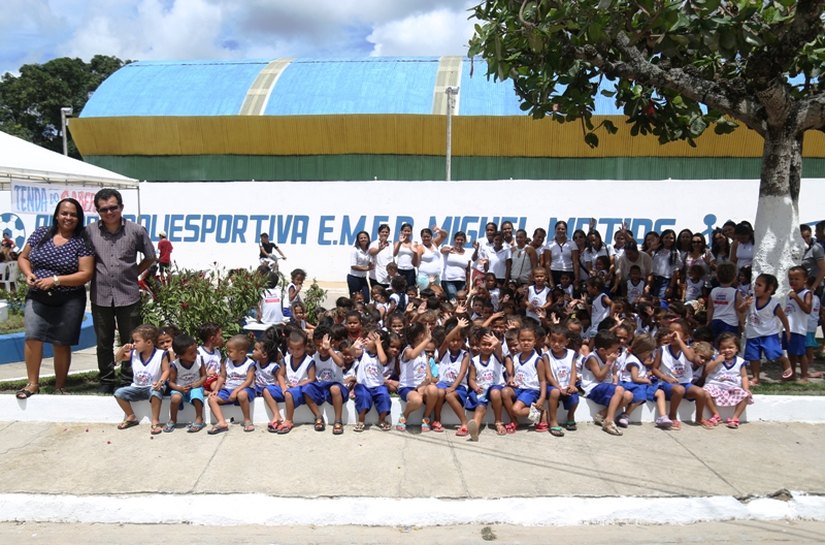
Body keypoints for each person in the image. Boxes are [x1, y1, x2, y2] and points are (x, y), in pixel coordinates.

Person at [15, 198, 94, 399]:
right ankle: (32, 384)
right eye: (64, 213)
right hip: (37, 296)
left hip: (69, 299)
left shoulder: (82, 241)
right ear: (57, 215)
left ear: (79, 218)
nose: (68, 217)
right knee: (32, 337)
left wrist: (56, 280)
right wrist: (28, 274)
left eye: (73, 214)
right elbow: (23, 257)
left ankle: (60, 387)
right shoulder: (41, 233)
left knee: (61, 342)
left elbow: (85, 274)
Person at [88, 188, 156, 393]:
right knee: (103, 341)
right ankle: (106, 379)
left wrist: (133, 273)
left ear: (121, 207)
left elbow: (150, 256)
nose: (109, 212)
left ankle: (128, 378)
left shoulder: (136, 230)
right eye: (103, 209)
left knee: (132, 340)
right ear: (98, 211)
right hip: (100, 296)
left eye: (113, 207)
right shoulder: (90, 231)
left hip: (128, 295)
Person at [112, 324, 170, 434]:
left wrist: (161, 382)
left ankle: (155, 421)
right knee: (119, 393)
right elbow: (118, 358)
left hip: (153, 387)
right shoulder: (134, 353)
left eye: (137, 341)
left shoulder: (161, 354)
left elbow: (166, 370)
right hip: (137, 387)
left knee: (156, 393)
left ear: (148, 342)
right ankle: (131, 416)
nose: (134, 344)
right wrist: (123, 349)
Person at [740, 273, 792, 385]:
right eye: (755, 284)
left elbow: (783, 317)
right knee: (753, 357)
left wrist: (787, 330)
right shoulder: (751, 300)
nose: (755, 287)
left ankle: (785, 362)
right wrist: (745, 304)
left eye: (759, 285)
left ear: (769, 289)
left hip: (769, 335)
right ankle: (756, 377)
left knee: (774, 353)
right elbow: (740, 310)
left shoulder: (774, 303)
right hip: (753, 334)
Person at [580, 330, 632, 436]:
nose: (616, 353)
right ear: (602, 350)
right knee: (619, 390)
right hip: (593, 387)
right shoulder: (593, 358)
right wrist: (608, 363)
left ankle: (602, 414)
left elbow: (614, 373)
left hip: (607, 386)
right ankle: (609, 421)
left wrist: (615, 381)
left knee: (628, 395)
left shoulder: (612, 356)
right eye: (614, 350)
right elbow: (599, 377)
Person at [425, 317, 471, 435]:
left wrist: (453, 387)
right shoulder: (443, 352)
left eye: (458, 340)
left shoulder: (465, 355)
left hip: (459, 386)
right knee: (440, 392)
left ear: (463, 341)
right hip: (443, 383)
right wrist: (458, 327)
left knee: (449, 396)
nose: (455, 343)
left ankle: (464, 423)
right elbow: (446, 341)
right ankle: (437, 419)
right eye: (453, 340)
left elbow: (462, 373)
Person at [701, 333, 752, 429]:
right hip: (715, 385)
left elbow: (744, 376)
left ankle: (735, 418)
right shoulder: (715, 358)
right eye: (723, 348)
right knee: (705, 393)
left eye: (730, 347)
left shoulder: (740, 361)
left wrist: (746, 388)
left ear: (737, 349)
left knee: (745, 396)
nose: (727, 350)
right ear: (719, 349)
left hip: (732, 387)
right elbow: (707, 371)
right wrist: (716, 361)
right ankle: (715, 415)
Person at [207, 334, 256, 434]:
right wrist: (216, 390)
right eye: (227, 351)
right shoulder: (227, 361)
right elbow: (222, 376)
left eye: (230, 351)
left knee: (241, 395)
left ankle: (247, 420)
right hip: (228, 390)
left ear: (241, 353)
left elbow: (249, 381)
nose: (228, 353)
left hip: (245, 389)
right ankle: (221, 422)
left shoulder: (250, 364)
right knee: (211, 399)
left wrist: (236, 391)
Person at [501, 326, 546, 434]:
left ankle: (540, 413)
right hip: (518, 388)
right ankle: (514, 421)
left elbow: (542, 380)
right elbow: (512, 374)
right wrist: (511, 379)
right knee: (505, 391)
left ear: (535, 341)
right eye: (523, 340)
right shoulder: (516, 357)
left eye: (529, 340)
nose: (526, 343)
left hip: (530, 390)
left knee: (516, 410)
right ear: (518, 341)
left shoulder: (537, 360)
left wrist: (542, 398)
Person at [304, 330, 347, 435]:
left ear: (332, 343)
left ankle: (338, 420)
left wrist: (329, 350)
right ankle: (318, 416)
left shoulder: (337, 354)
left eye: (324, 345)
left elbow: (340, 363)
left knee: (334, 389)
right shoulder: (315, 357)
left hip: (336, 385)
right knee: (306, 389)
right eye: (318, 346)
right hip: (321, 386)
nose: (321, 348)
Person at [540, 326, 579, 436]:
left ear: (567, 342)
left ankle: (570, 416)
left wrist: (571, 385)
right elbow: (549, 375)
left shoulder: (571, 354)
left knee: (575, 397)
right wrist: (559, 388)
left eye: (560, 341)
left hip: (567, 385)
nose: (556, 344)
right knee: (555, 392)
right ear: (549, 339)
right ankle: (553, 421)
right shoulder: (546, 355)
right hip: (553, 386)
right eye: (553, 340)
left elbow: (573, 371)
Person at [351, 330, 392, 431]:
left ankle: (381, 420)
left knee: (384, 397)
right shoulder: (363, 353)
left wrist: (378, 344)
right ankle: (361, 420)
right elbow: (353, 353)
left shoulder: (382, 355)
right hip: (363, 385)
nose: (366, 340)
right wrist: (354, 346)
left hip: (378, 385)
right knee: (363, 397)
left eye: (369, 339)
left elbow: (383, 360)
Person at [396, 322, 433, 431]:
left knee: (433, 390)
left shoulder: (423, 353)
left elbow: (429, 376)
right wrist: (427, 340)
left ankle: (426, 417)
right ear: (421, 335)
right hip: (407, 387)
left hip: (422, 386)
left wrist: (423, 386)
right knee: (416, 400)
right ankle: (405, 415)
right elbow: (412, 355)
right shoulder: (407, 350)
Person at [165, 334, 206, 433]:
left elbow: (204, 376)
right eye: (191, 353)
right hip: (180, 389)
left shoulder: (199, 359)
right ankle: (173, 419)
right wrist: (180, 389)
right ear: (180, 356)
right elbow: (171, 383)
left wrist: (197, 384)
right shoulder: (175, 365)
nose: (195, 354)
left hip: (195, 387)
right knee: (175, 398)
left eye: (195, 351)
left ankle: (199, 419)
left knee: (196, 394)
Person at [277, 329, 315, 434]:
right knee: (267, 390)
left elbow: (311, 379)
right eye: (292, 349)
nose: (295, 352)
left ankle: (289, 420)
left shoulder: (309, 361)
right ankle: (276, 416)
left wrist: (297, 385)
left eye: (298, 349)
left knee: (289, 394)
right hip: (287, 387)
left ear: (305, 347)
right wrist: (283, 386)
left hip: (300, 389)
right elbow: (280, 375)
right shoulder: (286, 359)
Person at [785, 266, 813, 380]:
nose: (793, 281)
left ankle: (804, 375)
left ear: (805, 280)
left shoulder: (806, 293)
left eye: (797, 279)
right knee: (790, 352)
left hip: (798, 328)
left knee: (801, 353)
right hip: (789, 328)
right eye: (791, 279)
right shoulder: (790, 294)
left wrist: (796, 298)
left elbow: (807, 309)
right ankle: (792, 374)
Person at [706, 263, 741, 340]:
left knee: (717, 342)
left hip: (715, 321)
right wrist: (741, 323)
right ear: (734, 278)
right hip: (730, 323)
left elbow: (710, 308)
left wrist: (708, 321)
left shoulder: (713, 291)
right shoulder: (735, 292)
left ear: (717, 277)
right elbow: (738, 309)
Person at [441, 231, 472, 300]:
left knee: (460, 300)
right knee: (453, 299)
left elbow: (468, 270)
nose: (459, 241)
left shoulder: (467, 253)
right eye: (458, 239)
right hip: (449, 280)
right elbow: (442, 250)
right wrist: (450, 249)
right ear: (454, 240)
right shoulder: (449, 248)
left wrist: (468, 283)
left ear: (464, 241)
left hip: (462, 281)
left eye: (462, 240)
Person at [415, 226, 447, 292]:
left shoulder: (434, 243)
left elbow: (445, 235)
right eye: (424, 237)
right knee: (426, 295)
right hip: (424, 277)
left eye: (428, 236)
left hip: (436, 277)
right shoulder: (420, 247)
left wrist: (440, 230)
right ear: (421, 237)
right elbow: (416, 263)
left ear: (431, 237)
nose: (426, 238)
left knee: (437, 295)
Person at [347, 230, 373, 303]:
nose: (363, 239)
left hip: (363, 278)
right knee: (354, 299)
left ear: (368, 239)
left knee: (366, 299)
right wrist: (367, 268)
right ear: (358, 240)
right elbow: (353, 266)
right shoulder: (355, 250)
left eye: (365, 237)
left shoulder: (369, 250)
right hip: (354, 278)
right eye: (361, 238)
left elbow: (369, 261)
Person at [368, 224, 394, 288]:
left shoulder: (391, 245)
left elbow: (392, 260)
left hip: (388, 277)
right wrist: (379, 249)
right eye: (382, 232)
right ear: (379, 233)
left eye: (386, 232)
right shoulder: (374, 243)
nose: (384, 234)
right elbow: (371, 252)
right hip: (376, 277)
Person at [393, 223, 417, 290]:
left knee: (410, 289)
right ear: (401, 232)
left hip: (410, 270)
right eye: (405, 231)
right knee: (399, 289)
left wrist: (415, 252)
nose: (407, 233)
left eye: (408, 231)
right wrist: (400, 243)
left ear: (411, 232)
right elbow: (394, 254)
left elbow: (415, 260)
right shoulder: (397, 243)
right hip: (399, 269)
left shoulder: (414, 243)